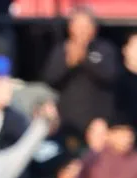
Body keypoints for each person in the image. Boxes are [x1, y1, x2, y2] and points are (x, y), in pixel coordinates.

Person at [43, 6, 119, 142]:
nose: (82, 30)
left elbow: (110, 76)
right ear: (70, 28)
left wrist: (85, 59)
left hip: (97, 125)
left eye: (86, 26)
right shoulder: (61, 50)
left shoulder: (104, 49)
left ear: (94, 29)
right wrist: (68, 64)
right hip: (68, 123)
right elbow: (50, 79)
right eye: (78, 25)